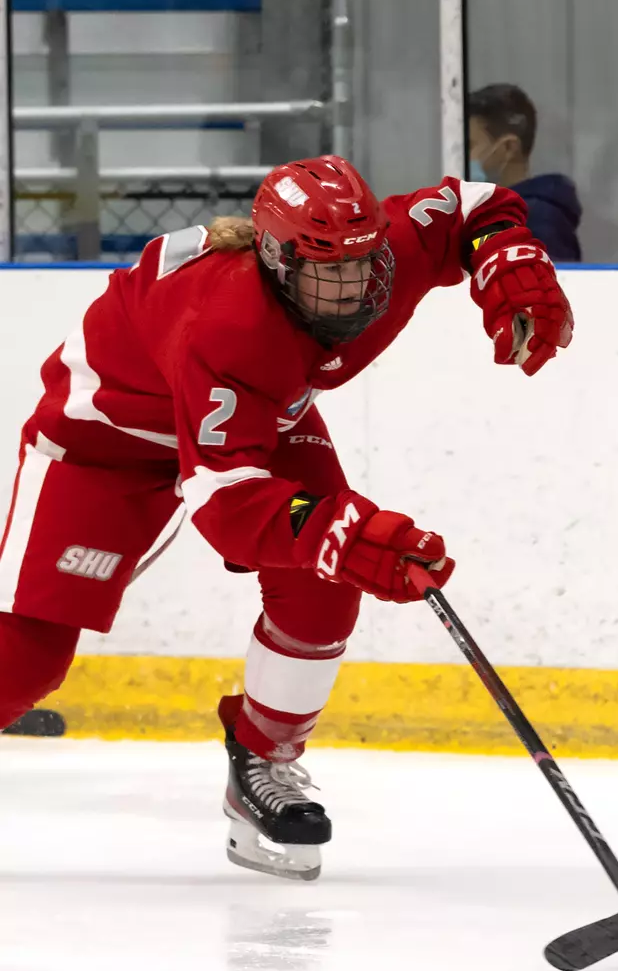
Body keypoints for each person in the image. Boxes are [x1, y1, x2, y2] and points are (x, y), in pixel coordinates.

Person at [0, 155, 574, 881]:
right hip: (106, 441)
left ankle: (261, 763)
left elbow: (475, 202)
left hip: (260, 413)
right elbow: (229, 504)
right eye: (324, 271)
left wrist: (512, 263)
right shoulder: (227, 322)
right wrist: (345, 533)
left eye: (361, 265)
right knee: (28, 656)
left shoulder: (379, 253)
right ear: (274, 261)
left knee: (324, 582)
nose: (349, 289)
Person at [467, 83, 583, 262]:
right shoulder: (487, 213)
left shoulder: (538, 223)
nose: (460, 156)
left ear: (508, 148)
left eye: (469, 146)